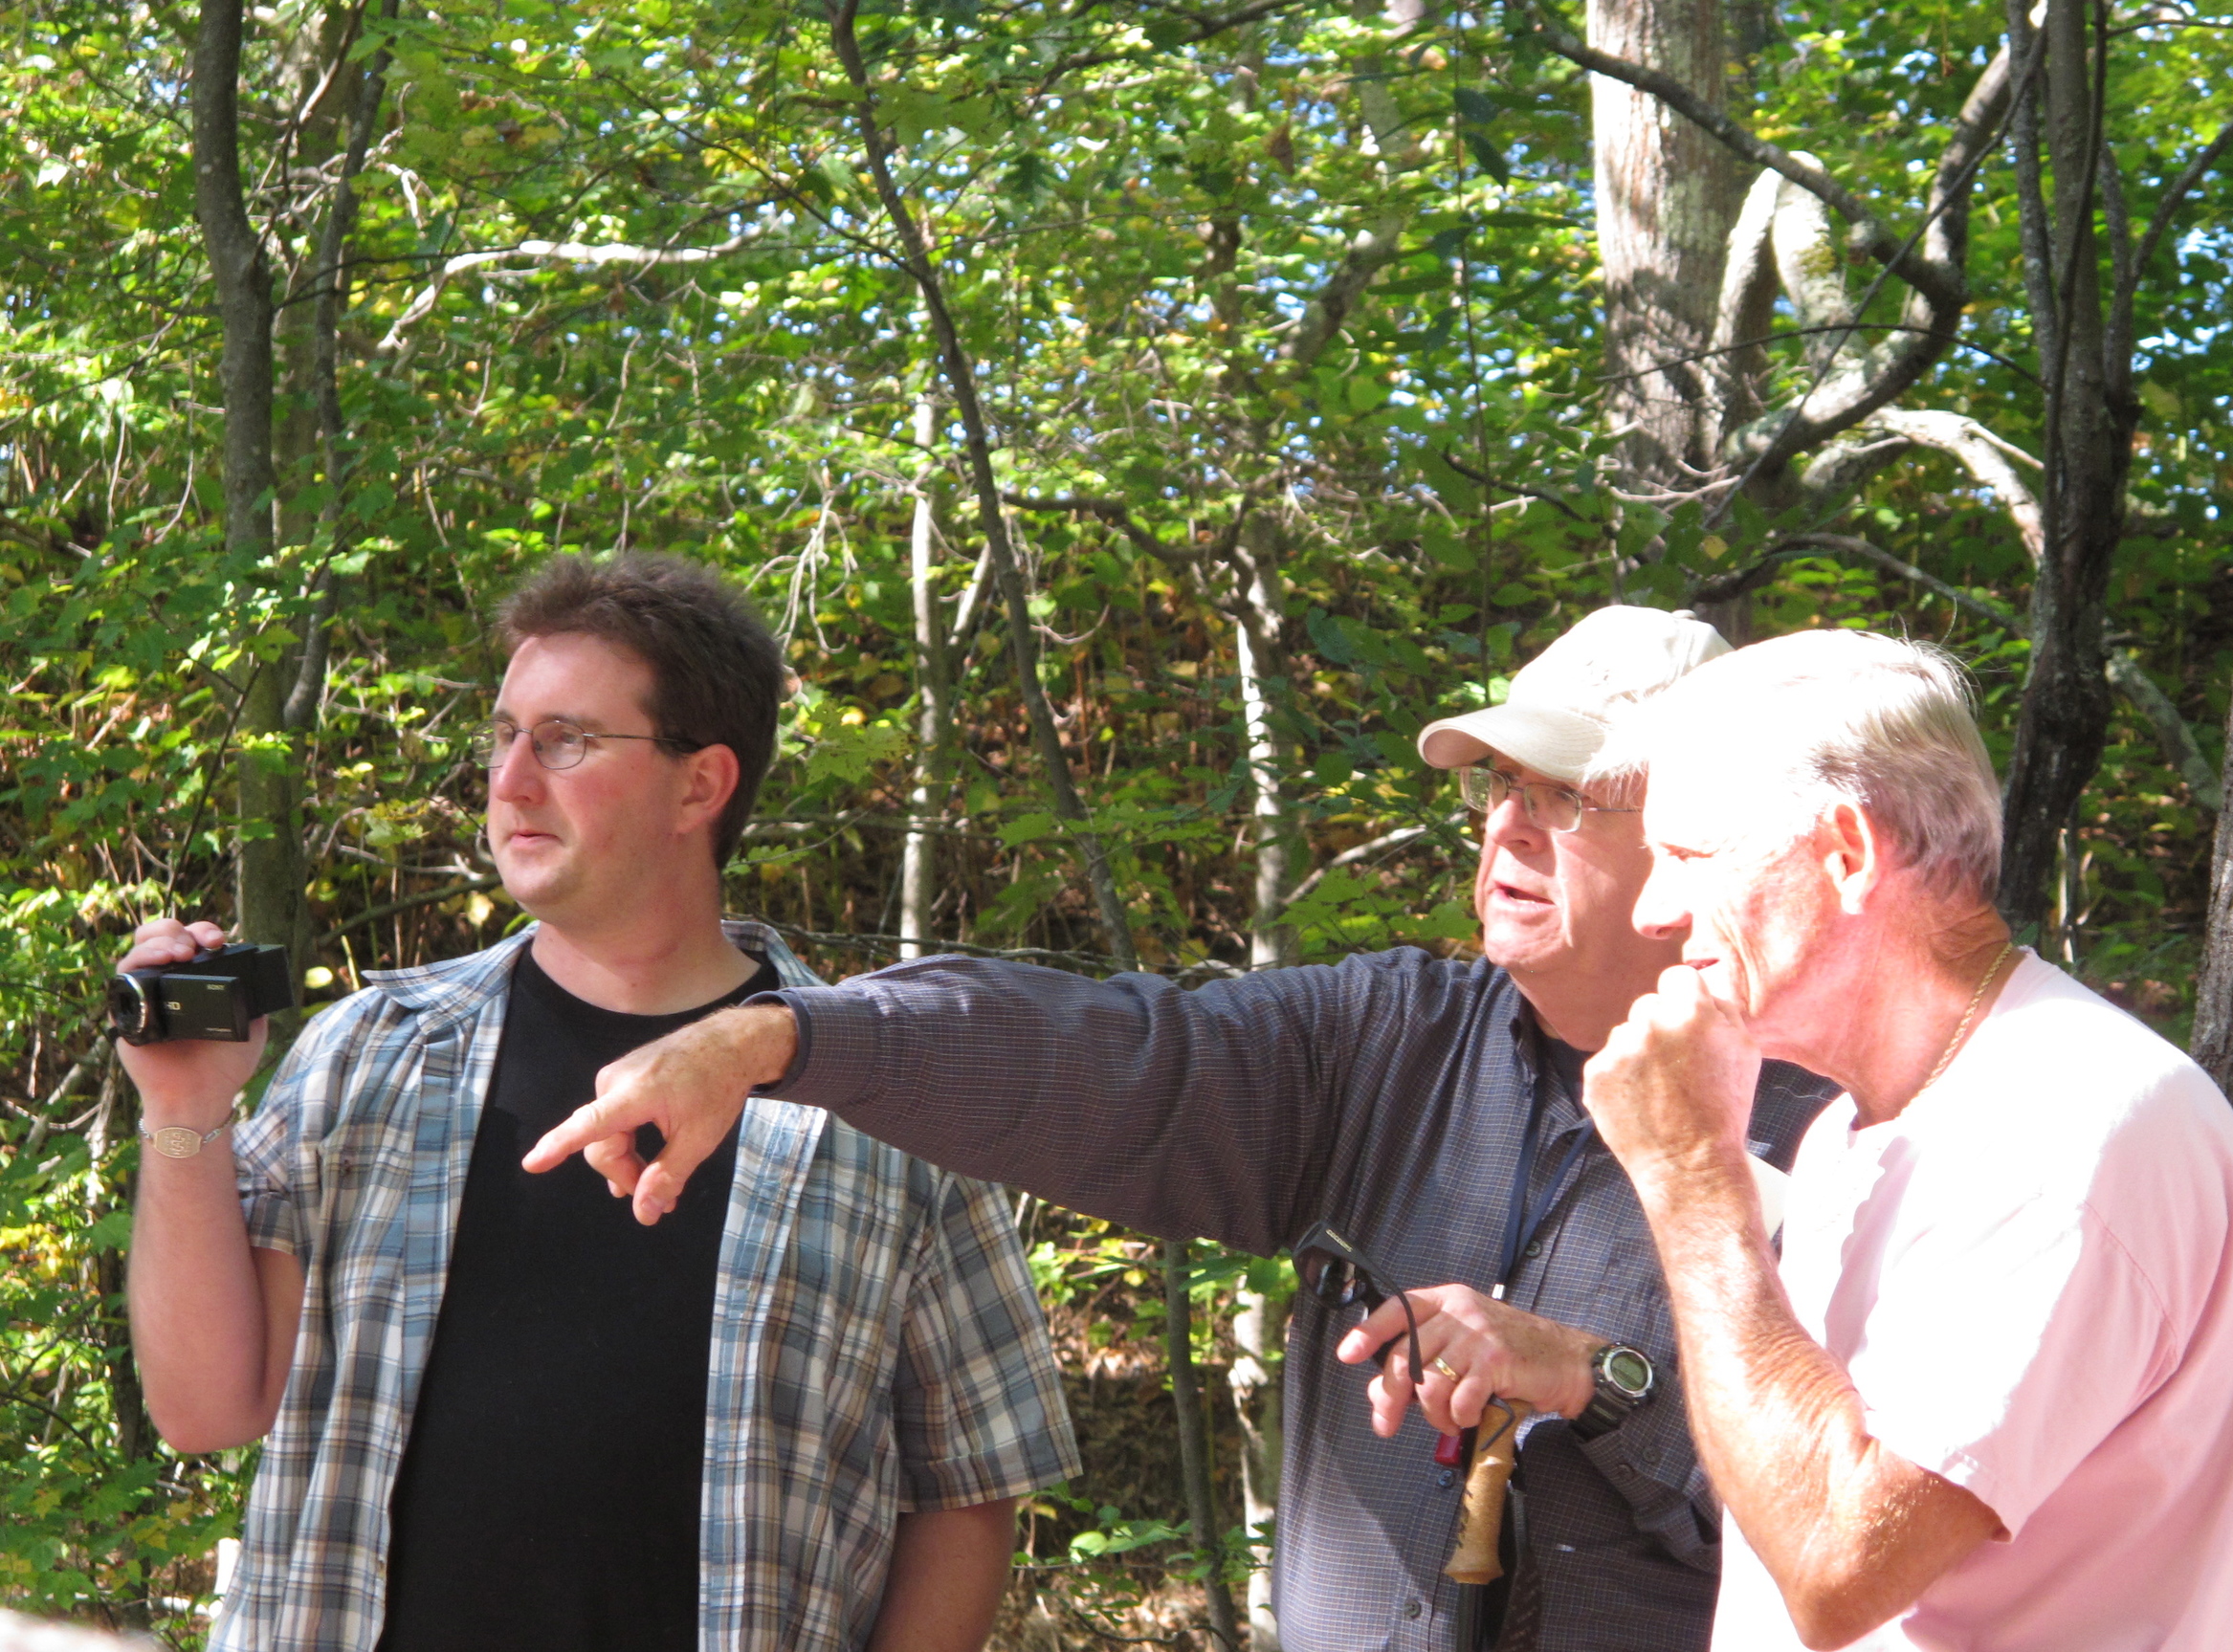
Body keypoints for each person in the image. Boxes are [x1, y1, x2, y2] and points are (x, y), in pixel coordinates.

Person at [526, 606, 1842, 1652]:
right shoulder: (1388, 1043)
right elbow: (1106, 1056)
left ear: (1694, 832)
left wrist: (1603, 1385)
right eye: (1498, 781)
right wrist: (785, 1036)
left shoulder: (1832, 1122)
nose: (1507, 821)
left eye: (1564, 792)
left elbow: (1876, 1535)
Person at [120, 553, 1078, 1652]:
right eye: (504, 733)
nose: (511, 778)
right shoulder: (373, 1057)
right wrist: (184, 1110)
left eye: (567, 739)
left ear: (700, 784)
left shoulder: (879, 1097)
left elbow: (971, 1481)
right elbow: (203, 1410)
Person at [1445, 628, 2233, 1649]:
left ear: (1845, 854)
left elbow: (1837, 1569)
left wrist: (1690, 1172)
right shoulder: (1862, 1124)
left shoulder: (2061, 1130)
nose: (1660, 908)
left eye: (1687, 857)